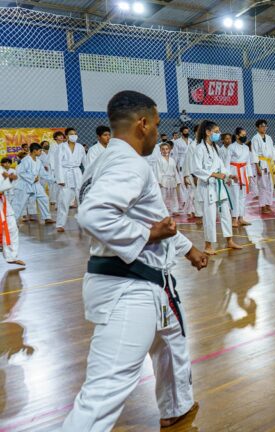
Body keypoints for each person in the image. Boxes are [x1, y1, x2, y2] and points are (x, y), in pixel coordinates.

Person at [62, 91, 208, 431]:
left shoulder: (106, 160)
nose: (159, 133)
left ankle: (176, 406)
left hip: (145, 281)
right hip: (127, 287)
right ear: (142, 124)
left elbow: (156, 218)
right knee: (105, 392)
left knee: (172, 337)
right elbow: (94, 214)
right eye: (156, 125)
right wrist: (148, 235)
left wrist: (187, 249)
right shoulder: (127, 162)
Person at [192, 120, 242, 255]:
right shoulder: (199, 149)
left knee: (226, 213)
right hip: (207, 187)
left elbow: (221, 166)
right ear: (208, 132)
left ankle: (229, 240)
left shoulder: (215, 148)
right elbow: (196, 169)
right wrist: (215, 174)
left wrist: (229, 175)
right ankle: (208, 245)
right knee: (209, 216)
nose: (218, 134)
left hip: (219, 186)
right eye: (216, 132)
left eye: (218, 132)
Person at [13, 143, 54, 224]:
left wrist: (54, 180)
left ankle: (47, 217)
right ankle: (12, 221)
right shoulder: (26, 160)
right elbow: (20, 172)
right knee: (20, 203)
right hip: (25, 184)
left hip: (36, 184)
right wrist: (32, 178)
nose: (41, 152)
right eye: (40, 151)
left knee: (44, 198)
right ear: (34, 151)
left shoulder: (38, 161)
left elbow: (43, 173)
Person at [54, 127, 85, 232]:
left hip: (77, 173)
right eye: (71, 134)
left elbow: (85, 162)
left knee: (82, 199)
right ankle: (60, 224)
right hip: (65, 174)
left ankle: (84, 222)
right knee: (64, 200)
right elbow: (57, 163)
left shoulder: (80, 147)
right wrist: (60, 179)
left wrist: (88, 176)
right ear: (66, 136)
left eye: (75, 133)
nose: (74, 135)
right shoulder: (61, 146)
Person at [252, 119, 275, 215]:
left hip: (270, 163)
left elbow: (272, 151)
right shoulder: (255, 138)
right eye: (262, 126)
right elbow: (254, 153)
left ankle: (268, 204)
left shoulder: (269, 138)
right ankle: (262, 206)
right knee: (262, 186)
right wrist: (257, 167)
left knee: (270, 185)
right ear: (257, 127)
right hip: (261, 163)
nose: (264, 128)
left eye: (265, 126)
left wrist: (274, 164)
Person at [0, 158, 23, 265]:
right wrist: (8, 178)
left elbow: (5, 184)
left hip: (3, 202)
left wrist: (9, 178)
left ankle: (12, 256)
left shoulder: (1, 170)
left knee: (11, 228)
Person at [229, 127, 253, 226]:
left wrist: (249, 176)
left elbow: (248, 163)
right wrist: (229, 175)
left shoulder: (246, 148)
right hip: (234, 172)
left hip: (243, 172)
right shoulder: (231, 147)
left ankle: (241, 217)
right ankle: (234, 219)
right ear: (237, 136)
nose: (244, 136)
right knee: (234, 196)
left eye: (245, 135)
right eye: (242, 135)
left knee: (242, 197)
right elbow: (227, 162)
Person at [156, 142, 182, 215]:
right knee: (163, 196)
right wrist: (159, 182)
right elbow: (157, 171)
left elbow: (175, 171)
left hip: (172, 180)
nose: (165, 151)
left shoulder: (172, 160)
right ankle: (161, 211)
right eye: (163, 149)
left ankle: (175, 210)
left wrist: (178, 181)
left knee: (174, 196)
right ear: (160, 150)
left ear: (169, 150)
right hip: (163, 180)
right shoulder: (159, 160)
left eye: (166, 149)